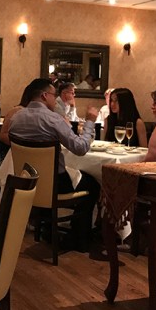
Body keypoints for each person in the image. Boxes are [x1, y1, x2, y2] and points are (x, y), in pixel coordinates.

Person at [9, 78, 99, 251]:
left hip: (28, 182)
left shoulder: (16, 117)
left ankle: (48, 229)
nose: (55, 100)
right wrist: (90, 122)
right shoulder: (53, 119)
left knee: (66, 174)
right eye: (54, 95)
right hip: (56, 185)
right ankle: (79, 238)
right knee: (93, 183)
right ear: (44, 96)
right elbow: (80, 148)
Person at [0, 85, 32, 175]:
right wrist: (21, 144)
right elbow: (2, 135)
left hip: (20, 153)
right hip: (4, 152)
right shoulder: (17, 111)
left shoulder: (36, 114)